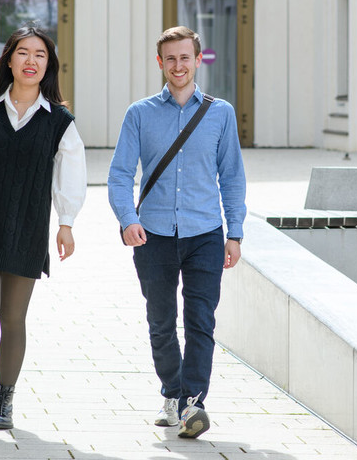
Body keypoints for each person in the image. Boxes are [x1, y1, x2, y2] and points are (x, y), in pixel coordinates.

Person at [0, 26, 86, 430]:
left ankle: (4, 403)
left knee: (14, 317)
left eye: (39, 55)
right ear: (9, 60)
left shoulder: (60, 121)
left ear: (48, 65)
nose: (30, 61)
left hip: (27, 228)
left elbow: (70, 176)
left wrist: (67, 223)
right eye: (22, 53)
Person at [107, 26, 246, 439]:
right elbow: (118, 175)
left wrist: (234, 233)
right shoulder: (140, 114)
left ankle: (192, 404)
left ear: (198, 59)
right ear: (160, 63)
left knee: (201, 321)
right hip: (153, 236)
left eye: (185, 58)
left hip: (205, 233)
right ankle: (172, 392)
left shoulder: (220, 113)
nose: (178, 66)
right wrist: (128, 219)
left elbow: (232, 177)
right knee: (161, 322)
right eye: (170, 59)